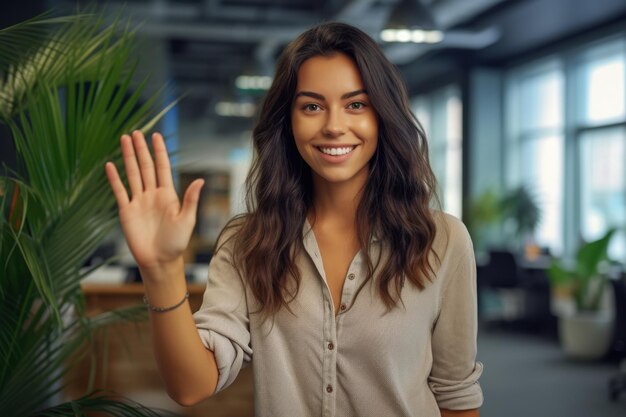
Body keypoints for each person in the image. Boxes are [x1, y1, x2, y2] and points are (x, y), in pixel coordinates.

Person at [105, 22, 483, 417]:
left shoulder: (443, 240)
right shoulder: (247, 242)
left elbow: (456, 395)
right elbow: (190, 386)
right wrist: (161, 270)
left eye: (356, 104)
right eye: (312, 106)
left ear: (383, 116)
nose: (334, 125)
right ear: (288, 121)